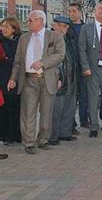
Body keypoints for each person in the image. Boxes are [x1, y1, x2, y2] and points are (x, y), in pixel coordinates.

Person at [7, 10, 65, 154]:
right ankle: (29, 142)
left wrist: (43, 62)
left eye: (30, 20)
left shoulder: (55, 36)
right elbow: (18, 61)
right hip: (28, 80)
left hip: (47, 79)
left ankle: (43, 140)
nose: (28, 23)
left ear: (40, 21)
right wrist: (13, 78)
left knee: (46, 112)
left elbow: (60, 55)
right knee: (28, 112)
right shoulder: (24, 38)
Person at [78, 1, 102, 138]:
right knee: (93, 99)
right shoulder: (86, 28)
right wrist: (85, 67)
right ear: (95, 12)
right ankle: (94, 126)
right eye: (100, 8)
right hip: (92, 69)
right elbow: (82, 49)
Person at [49, 16, 78, 145]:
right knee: (56, 108)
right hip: (57, 78)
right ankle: (52, 136)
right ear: (53, 25)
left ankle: (65, 133)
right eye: (59, 25)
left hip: (71, 77)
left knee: (69, 106)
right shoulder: (49, 41)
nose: (61, 29)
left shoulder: (70, 40)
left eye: (64, 26)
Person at [0, 17, 22, 145]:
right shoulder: (1, 41)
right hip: (3, 76)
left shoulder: (20, 40)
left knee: (16, 107)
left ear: (14, 29)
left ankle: (17, 135)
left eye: (7, 27)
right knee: (5, 107)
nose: (3, 29)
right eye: (2, 26)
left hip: (18, 77)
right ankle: (6, 135)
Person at [68, 3, 88, 131]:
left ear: (80, 13)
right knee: (71, 96)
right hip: (71, 66)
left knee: (84, 94)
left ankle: (84, 119)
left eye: (74, 11)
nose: (71, 13)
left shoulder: (86, 28)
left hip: (84, 65)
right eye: (69, 11)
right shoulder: (67, 28)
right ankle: (71, 122)